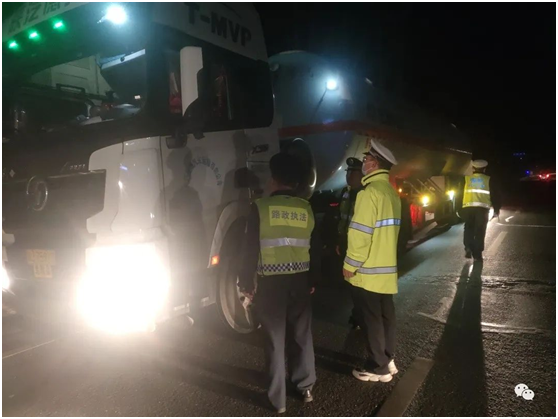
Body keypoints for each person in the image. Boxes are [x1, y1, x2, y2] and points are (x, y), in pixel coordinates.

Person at [238, 153, 320, 414]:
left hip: (271, 284)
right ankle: (305, 387)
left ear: (274, 179)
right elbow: (314, 247)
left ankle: (278, 400)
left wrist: (245, 281)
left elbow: (249, 249)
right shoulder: (305, 208)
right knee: (301, 335)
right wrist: (312, 279)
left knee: (275, 340)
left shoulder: (260, 207)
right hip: (300, 281)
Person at [342, 139, 401, 383]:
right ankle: (388, 358)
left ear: (374, 164)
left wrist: (350, 265)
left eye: (366, 159)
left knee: (371, 320)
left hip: (367, 271)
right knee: (386, 317)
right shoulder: (391, 194)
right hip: (386, 271)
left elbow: (360, 234)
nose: (364, 163)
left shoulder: (369, 194)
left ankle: (379, 368)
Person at [335, 157, 364, 329]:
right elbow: (342, 219)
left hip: (358, 245)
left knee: (359, 282)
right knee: (351, 281)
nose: (349, 176)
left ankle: (360, 315)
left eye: (353, 173)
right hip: (346, 242)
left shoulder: (365, 194)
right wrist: (339, 240)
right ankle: (357, 312)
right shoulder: (346, 193)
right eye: (348, 173)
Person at [460, 159, 501, 260]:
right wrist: (496, 209)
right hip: (482, 209)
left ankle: (468, 247)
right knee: (480, 230)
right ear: (484, 169)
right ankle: (477, 253)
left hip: (468, 208)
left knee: (468, 228)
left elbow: (459, 194)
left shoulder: (466, 179)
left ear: (473, 168)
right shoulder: (488, 180)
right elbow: (495, 195)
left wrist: (458, 209)